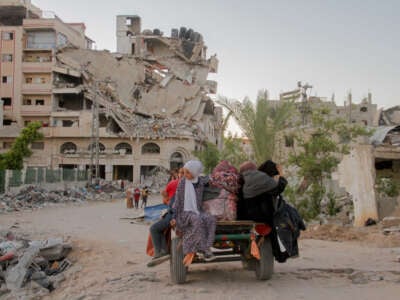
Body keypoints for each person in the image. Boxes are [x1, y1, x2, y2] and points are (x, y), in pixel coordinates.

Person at [171, 160, 216, 266]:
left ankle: (207, 247)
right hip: (184, 212)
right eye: (184, 172)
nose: (185, 175)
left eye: (188, 172)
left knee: (211, 219)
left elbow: (208, 179)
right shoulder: (182, 182)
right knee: (197, 220)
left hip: (197, 210)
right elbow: (177, 200)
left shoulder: (200, 182)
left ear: (195, 172)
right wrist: (174, 216)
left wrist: (211, 180)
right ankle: (199, 249)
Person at [149, 168, 183, 260]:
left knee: (154, 228)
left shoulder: (174, 184)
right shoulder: (193, 185)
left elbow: (168, 201)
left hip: (176, 214)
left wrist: (165, 196)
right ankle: (163, 250)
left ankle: (159, 252)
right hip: (181, 213)